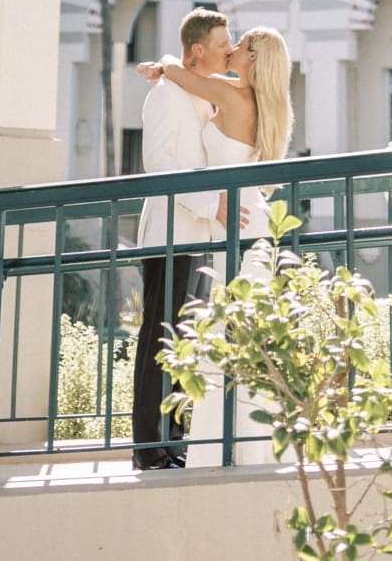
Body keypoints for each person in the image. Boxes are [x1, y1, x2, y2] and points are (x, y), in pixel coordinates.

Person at [137, 26, 294, 465]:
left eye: (238, 45)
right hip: (231, 222)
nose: (231, 49)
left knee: (225, 331)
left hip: (230, 223)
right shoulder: (247, 97)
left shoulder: (230, 95)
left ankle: (222, 441)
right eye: (226, 42)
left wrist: (162, 65)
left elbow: (178, 72)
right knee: (229, 330)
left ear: (253, 58)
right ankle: (225, 441)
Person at [131, 6, 233, 471]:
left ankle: (173, 440)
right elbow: (160, 166)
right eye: (220, 44)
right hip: (169, 236)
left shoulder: (201, 91)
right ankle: (148, 448)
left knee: (185, 342)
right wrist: (212, 205)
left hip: (199, 238)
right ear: (197, 49)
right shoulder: (166, 95)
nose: (228, 51)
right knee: (161, 339)